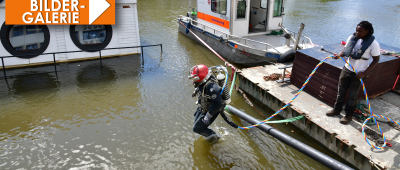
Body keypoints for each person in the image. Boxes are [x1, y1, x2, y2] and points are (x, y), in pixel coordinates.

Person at [326, 21, 380, 124]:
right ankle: (337, 109)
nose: (357, 32)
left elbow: (376, 60)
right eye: (356, 30)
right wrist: (339, 55)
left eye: (360, 31)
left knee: (352, 95)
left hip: (359, 73)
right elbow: (346, 50)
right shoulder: (352, 37)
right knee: (341, 91)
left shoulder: (374, 44)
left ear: (367, 31)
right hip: (347, 69)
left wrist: (364, 72)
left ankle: (348, 115)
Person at [188, 64, 225, 144]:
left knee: (196, 129)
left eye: (194, 78)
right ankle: (208, 134)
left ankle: (215, 138)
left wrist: (208, 115)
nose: (193, 80)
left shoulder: (212, 88)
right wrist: (197, 91)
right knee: (196, 125)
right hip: (203, 105)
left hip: (212, 109)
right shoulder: (203, 80)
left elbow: (218, 104)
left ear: (199, 78)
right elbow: (201, 87)